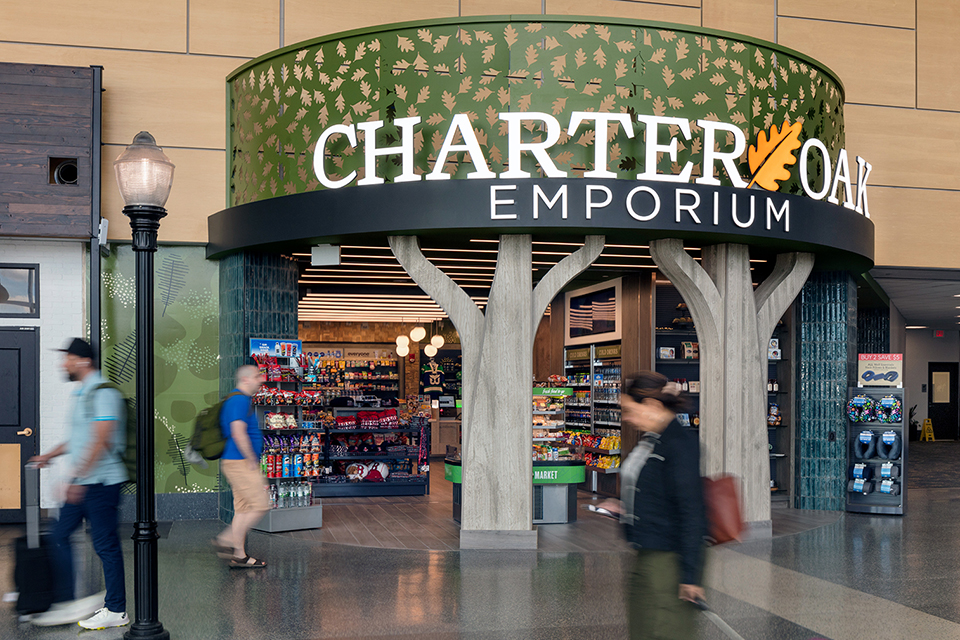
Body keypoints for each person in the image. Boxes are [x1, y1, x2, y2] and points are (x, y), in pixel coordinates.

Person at [29, 338, 129, 629]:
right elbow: (79, 439)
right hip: (84, 481)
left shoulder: (102, 393)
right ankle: (66, 600)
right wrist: (49, 455)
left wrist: (78, 479)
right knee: (58, 535)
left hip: (101, 484)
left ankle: (117, 609)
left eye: (69, 358)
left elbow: (102, 439)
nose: (64, 364)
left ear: (84, 361)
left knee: (105, 546)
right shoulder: (82, 392)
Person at [600, 371, 706, 640]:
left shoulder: (679, 444)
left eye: (629, 410)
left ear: (652, 406)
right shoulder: (651, 439)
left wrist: (690, 576)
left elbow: (691, 509)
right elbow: (652, 490)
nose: (626, 418)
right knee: (643, 629)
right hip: (646, 552)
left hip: (669, 560)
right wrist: (626, 507)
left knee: (667, 631)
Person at [212, 364, 269, 568]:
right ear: (245, 379)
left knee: (243, 510)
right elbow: (237, 432)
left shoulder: (240, 399)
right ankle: (225, 540)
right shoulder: (238, 400)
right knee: (261, 504)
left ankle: (239, 555)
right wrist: (251, 459)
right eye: (257, 376)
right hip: (241, 462)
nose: (261, 379)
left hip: (235, 461)